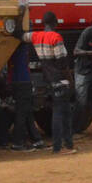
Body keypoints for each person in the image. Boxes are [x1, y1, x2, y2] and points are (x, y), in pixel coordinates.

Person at [29, 11, 75, 154]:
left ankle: (68, 144)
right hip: (61, 79)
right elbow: (62, 63)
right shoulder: (56, 37)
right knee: (61, 113)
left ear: (44, 23)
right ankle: (58, 147)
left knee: (65, 112)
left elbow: (22, 36)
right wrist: (71, 81)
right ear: (55, 23)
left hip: (49, 79)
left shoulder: (36, 36)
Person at [6, 29, 44, 151]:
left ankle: (37, 139)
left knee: (26, 112)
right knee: (22, 113)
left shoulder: (11, 46)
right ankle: (18, 142)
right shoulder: (21, 45)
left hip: (16, 81)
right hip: (23, 81)